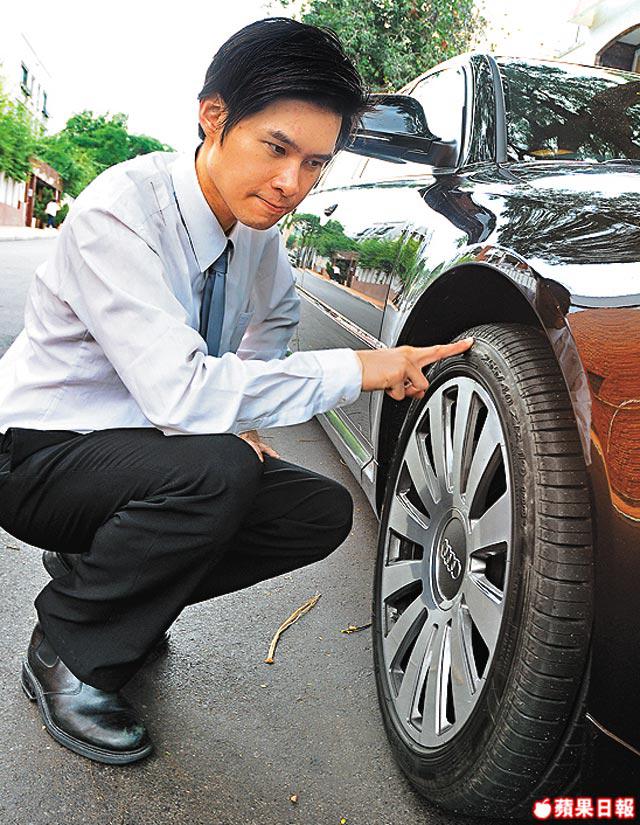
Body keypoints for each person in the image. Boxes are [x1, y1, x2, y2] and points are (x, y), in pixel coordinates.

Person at [0, 17, 472, 766]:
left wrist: (245, 413)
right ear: (213, 116)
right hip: (38, 453)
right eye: (276, 148)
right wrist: (362, 367)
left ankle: (107, 588)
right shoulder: (121, 214)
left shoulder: (256, 232)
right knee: (217, 471)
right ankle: (70, 648)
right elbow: (181, 394)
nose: (292, 185)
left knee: (317, 511)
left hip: (139, 451)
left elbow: (274, 321)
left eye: (315, 163)